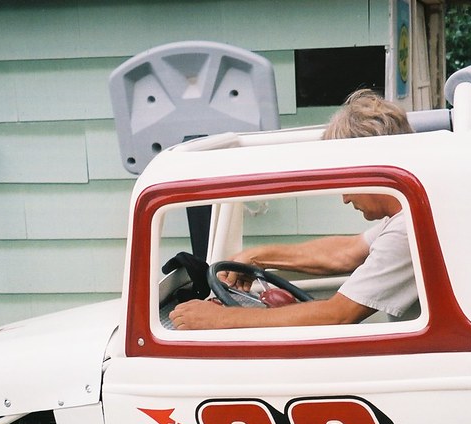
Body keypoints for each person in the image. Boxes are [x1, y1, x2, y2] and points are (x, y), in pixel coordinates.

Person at [169, 89, 417, 330]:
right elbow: (347, 252)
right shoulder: (405, 215)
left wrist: (220, 319)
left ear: (371, 171)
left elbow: (337, 315)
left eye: (348, 182)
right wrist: (255, 257)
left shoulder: (408, 230)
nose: (345, 198)